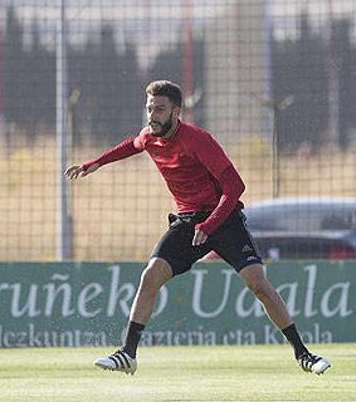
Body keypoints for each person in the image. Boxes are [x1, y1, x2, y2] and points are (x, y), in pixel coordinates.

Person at [65, 80, 331, 376]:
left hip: (224, 219)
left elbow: (235, 186)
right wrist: (96, 163)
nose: (152, 115)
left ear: (176, 112)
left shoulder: (197, 140)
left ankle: (303, 354)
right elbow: (133, 144)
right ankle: (128, 353)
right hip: (188, 222)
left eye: (160, 109)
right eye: (149, 108)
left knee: (259, 286)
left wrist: (212, 223)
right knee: (150, 275)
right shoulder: (149, 136)